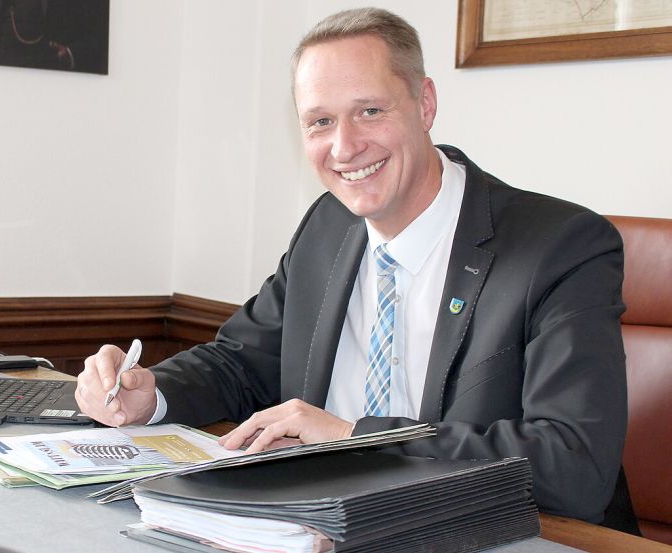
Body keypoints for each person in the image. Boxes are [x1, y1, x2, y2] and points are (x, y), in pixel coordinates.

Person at [74, 7, 633, 530]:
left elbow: (573, 463)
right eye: (319, 121)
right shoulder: (329, 226)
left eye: (370, 111)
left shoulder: (560, 247)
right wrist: (152, 394)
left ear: (425, 104)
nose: (345, 148)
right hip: (328, 523)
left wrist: (351, 437)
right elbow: (241, 364)